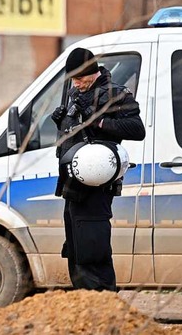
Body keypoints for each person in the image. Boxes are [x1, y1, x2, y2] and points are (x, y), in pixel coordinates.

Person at [51, 47, 145, 291]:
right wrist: (61, 120)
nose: (76, 84)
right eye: (73, 79)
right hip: (72, 184)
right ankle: (84, 302)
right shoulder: (74, 93)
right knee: (76, 249)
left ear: (92, 73)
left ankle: (102, 302)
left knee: (92, 250)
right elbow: (74, 134)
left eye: (80, 78)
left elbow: (137, 129)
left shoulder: (116, 94)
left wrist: (99, 120)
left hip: (96, 186)